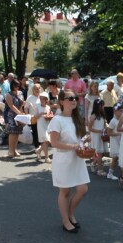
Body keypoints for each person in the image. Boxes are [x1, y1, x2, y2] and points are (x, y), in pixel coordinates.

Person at [47, 89, 90, 233]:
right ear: (61, 101)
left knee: (82, 189)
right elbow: (54, 142)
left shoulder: (77, 118)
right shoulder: (57, 120)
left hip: (77, 158)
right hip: (63, 159)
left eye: (75, 98)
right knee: (65, 191)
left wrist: (86, 140)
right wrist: (74, 146)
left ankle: (70, 213)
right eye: (70, 98)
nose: (73, 100)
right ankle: (65, 220)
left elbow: (80, 139)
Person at [4, 79, 25, 157]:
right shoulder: (8, 94)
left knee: (17, 133)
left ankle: (15, 150)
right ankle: (10, 151)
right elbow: (11, 106)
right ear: (12, 86)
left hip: (19, 114)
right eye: (15, 85)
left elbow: (21, 104)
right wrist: (19, 113)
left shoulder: (20, 93)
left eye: (18, 85)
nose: (17, 87)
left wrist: (23, 107)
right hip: (11, 115)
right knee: (12, 133)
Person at [88, 99, 108, 176]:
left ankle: (93, 163)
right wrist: (100, 131)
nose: (103, 107)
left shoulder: (102, 115)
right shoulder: (93, 116)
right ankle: (100, 170)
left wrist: (105, 127)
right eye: (101, 105)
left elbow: (103, 125)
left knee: (102, 153)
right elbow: (90, 128)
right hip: (96, 136)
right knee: (99, 153)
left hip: (102, 135)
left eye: (103, 105)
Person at [105, 103, 123, 180]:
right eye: (120, 111)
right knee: (121, 158)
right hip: (115, 142)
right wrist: (119, 133)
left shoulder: (122, 119)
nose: (122, 113)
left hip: (121, 141)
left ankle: (110, 173)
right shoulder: (113, 121)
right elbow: (109, 133)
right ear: (115, 111)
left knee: (115, 159)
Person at [35, 92, 52, 162]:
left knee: (47, 141)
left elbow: (49, 116)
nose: (42, 100)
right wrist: (41, 113)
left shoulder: (48, 107)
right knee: (46, 140)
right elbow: (35, 116)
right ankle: (46, 157)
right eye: (41, 98)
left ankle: (39, 150)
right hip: (40, 125)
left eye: (44, 99)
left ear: (46, 100)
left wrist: (49, 117)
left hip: (47, 124)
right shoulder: (37, 106)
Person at [25, 84, 41, 151]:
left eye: (38, 88)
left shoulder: (42, 96)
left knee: (41, 132)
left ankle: (41, 146)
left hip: (42, 118)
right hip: (33, 117)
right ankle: (37, 147)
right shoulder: (30, 97)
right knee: (35, 132)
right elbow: (26, 107)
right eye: (35, 89)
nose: (37, 90)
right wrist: (27, 116)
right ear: (32, 90)